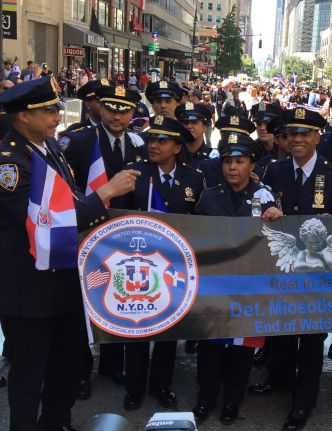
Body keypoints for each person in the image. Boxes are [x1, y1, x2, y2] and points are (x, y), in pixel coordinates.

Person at [0, 76, 138, 431]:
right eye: (49, 110)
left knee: (66, 367)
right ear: (23, 117)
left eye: (56, 107)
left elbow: (67, 200)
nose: (57, 115)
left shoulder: (48, 146)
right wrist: (103, 195)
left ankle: (56, 423)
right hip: (28, 290)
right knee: (28, 377)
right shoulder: (7, 164)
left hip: (65, 284)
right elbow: (43, 223)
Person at [252, 107, 332, 431]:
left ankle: (303, 403)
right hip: (283, 272)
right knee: (281, 331)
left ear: (317, 137)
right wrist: (264, 208)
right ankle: (279, 380)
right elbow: (256, 206)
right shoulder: (274, 171)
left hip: (317, 275)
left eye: (305, 133)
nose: (297, 138)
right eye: (293, 133)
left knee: (311, 339)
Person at [112, 115, 205, 411]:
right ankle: (134, 387)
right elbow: (116, 218)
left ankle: (161, 385)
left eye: (162, 141)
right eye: (152, 139)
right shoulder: (133, 173)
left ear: (177, 147)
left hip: (174, 266)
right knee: (136, 327)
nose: (154, 145)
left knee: (168, 330)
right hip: (136, 264)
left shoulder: (194, 178)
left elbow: (201, 220)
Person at [59, 83, 146, 396]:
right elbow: (65, 188)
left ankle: (112, 363)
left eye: (124, 110)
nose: (117, 116)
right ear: (99, 108)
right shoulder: (80, 141)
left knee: (119, 298)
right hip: (88, 231)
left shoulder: (139, 144)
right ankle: (82, 372)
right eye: (111, 108)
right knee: (86, 303)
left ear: (133, 113)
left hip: (125, 234)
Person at [192, 136, 283, 425]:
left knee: (240, 350)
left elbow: (278, 241)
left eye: (239, 161)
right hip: (214, 286)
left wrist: (278, 217)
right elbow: (194, 235)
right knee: (210, 346)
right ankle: (206, 398)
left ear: (251, 165)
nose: (232, 167)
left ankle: (232, 401)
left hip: (249, 289)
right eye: (228, 161)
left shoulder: (265, 195)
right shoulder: (209, 196)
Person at [175, 102, 215, 168]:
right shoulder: (173, 157)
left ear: (204, 127)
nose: (189, 126)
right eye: (185, 123)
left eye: (194, 122)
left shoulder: (213, 158)